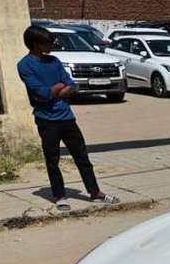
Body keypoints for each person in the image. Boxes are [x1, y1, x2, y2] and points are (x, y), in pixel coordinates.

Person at [17, 25, 118, 211]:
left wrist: (58, 90)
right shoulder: (25, 65)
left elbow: (72, 86)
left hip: (67, 117)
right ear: (35, 44)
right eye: (48, 42)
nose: (52, 45)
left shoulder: (54, 61)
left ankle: (94, 191)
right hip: (46, 119)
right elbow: (41, 94)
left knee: (82, 156)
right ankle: (60, 195)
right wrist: (57, 89)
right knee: (52, 158)